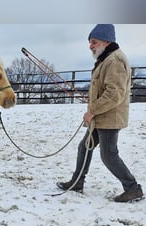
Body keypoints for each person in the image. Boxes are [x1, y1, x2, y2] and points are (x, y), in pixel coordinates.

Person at [57, 24, 144, 202]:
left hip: (110, 118)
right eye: (90, 42)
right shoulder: (106, 59)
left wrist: (92, 110)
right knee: (85, 147)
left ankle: (133, 188)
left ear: (106, 41)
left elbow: (114, 93)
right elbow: (104, 89)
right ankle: (77, 182)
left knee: (109, 155)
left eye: (94, 42)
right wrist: (93, 107)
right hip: (101, 117)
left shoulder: (114, 61)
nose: (90, 46)